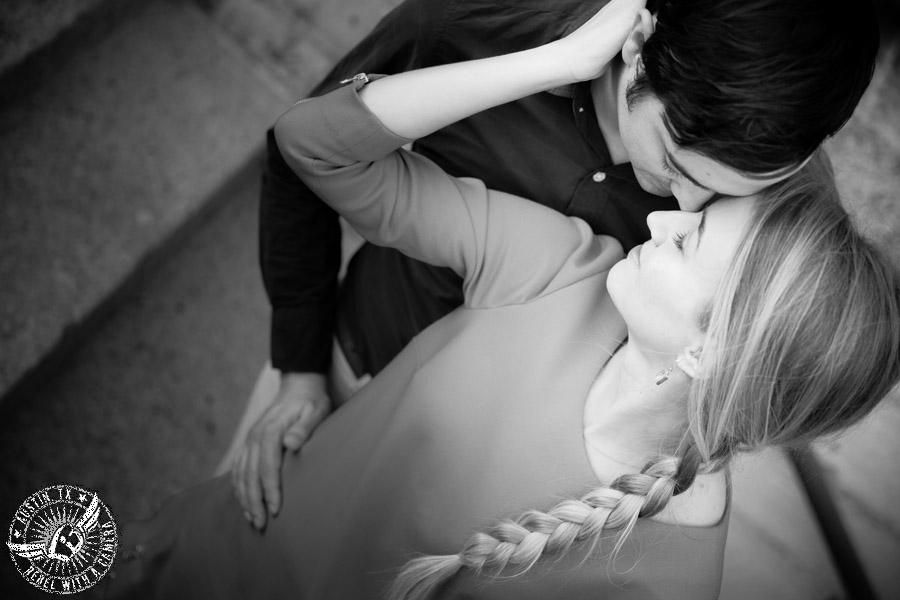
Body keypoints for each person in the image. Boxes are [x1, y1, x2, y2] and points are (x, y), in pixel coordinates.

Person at [107, 2, 900, 598]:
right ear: (634, 50)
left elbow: (776, 346)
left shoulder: (770, 185)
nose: (676, 208)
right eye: (677, 163)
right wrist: (299, 368)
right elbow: (306, 155)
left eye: (715, 204)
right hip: (346, 365)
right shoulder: (495, 20)